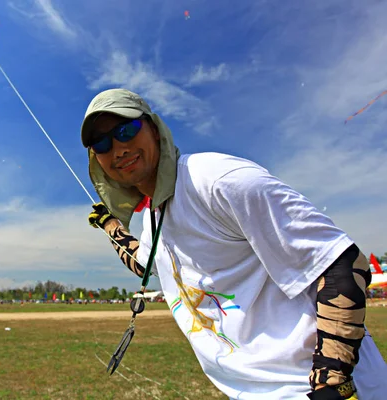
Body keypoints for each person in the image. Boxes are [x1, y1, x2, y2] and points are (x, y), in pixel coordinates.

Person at [81, 88, 387, 400]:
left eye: (125, 130)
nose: (118, 149)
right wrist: (110, 225)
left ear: (155, 130)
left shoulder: (216, 180)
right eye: (102, 143)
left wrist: (330, 385)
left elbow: (342, 264)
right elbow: (144, 263)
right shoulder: (153, 221)